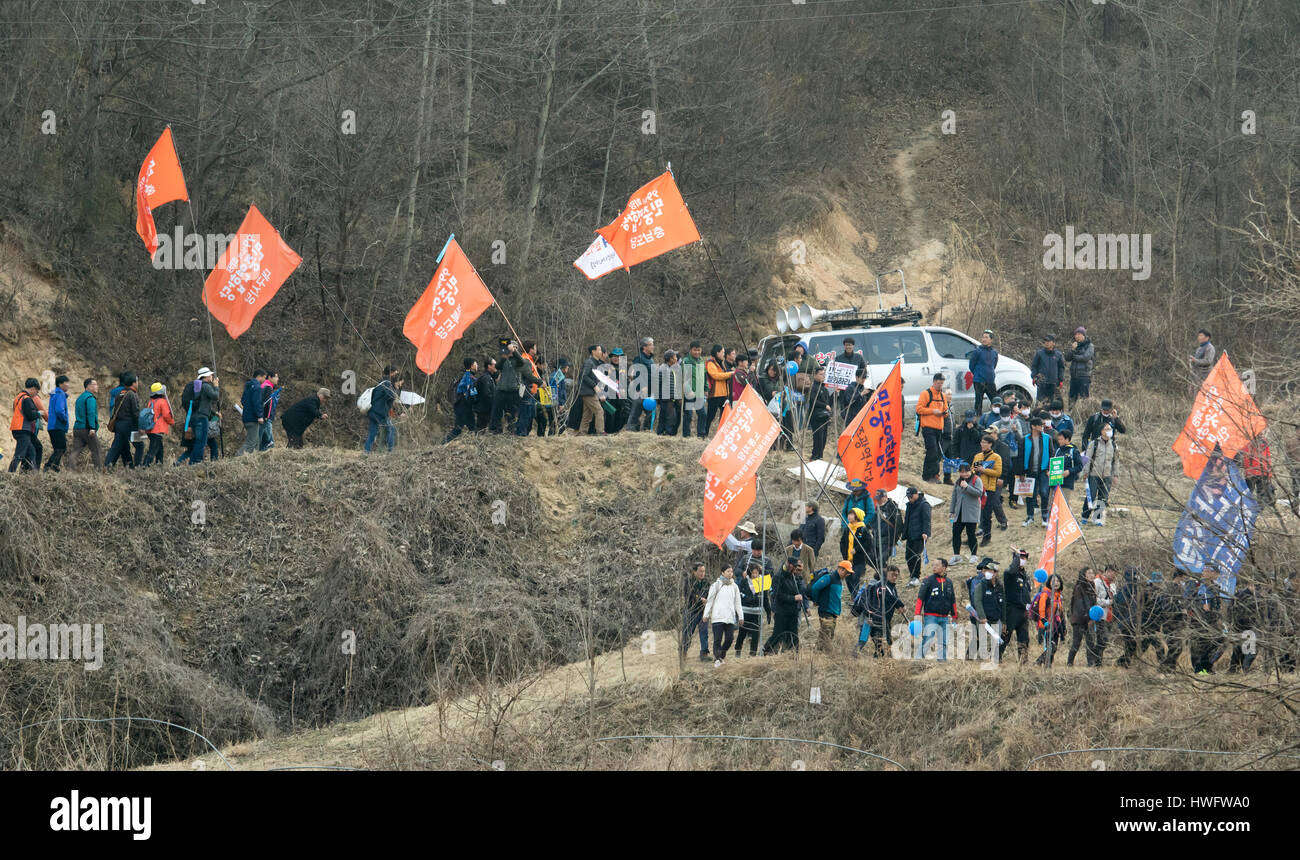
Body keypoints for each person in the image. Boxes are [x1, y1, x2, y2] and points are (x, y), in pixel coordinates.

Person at [914, 559, 961, 660]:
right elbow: (920, 598)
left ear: (944, 568)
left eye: (937, 565)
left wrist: (954, 616)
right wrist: (917, 613)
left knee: (944, 641)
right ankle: (918, 659)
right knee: (928, 638)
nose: (934, 567)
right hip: (931, 616)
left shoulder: (949, 582)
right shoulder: (928, 580)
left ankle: (942, 661)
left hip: (945, 617)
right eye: (933, 565)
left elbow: (952, 600)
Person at [702, 564, 744, 667]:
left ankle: (721, 655)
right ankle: (717, 658)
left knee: (729, 639)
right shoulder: (716, 585)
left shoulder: (734, 586)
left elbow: (738, 603)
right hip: (718, 617)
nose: (730, 574)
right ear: (722, 573)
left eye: (731, 571)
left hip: (729, 617)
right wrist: (706, 614)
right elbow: (710, 601)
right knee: (717, 639)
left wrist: (741, 616)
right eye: (728, 571)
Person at [763, 558, 806, 654]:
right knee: (777, 634)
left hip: (793, 612)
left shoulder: (794, 577)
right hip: (781, 612)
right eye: (794, 566)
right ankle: (765, 651)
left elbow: (800, 591)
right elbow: (778, 595)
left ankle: (794, 655)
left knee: (793, 635)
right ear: (789, 565)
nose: (796, 569)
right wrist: (793, 598)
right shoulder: (778, 577)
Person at [859, 565, 904, 656]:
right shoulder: (880, 586)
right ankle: (854, 658)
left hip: (885, 620)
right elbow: (889, 597)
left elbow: (892, 598)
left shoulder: (892, 587)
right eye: (892, 575)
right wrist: (900, 604)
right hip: (875, 620)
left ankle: (878, 659)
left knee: (883, 645)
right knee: (876, 644)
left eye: (896, 575)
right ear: (886, 574)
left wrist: (898, 606)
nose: (894, 577)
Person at [1080, 423, 1118, 526]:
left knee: (1103, 498)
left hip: (1107, 475)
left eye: (1110, 429)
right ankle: (1084, 516)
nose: (1109, 431)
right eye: (1106, 429)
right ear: (1101, 431)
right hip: (1094, 474)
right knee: (1091, 496)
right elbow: (1088, 458)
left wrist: (1115, 475)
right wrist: (1085, 472)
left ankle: (1097, 518)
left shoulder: (1113, 445)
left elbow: (1115, 461)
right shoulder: (1094, 443)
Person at [181, 368, 221, 465]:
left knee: (198, 441)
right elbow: (215, 396)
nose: (212, 377)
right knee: (201, 442)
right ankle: (196, 463)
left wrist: (215, 413)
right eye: (210, 375)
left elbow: (203, 405)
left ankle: (192, 463)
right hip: (202, 418)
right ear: (206, 376)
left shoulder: (197, 387)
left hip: (194, 417)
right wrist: (216, 386)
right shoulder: (205, 386)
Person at [1000, 548, 1033, 664]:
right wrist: (1016, 557)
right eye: (1020, 558)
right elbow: (1011, 571)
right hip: (1012, 610)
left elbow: (1027, 593)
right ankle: (996, 659)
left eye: (1024, 558)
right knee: (1005, 637)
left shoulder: (1025, 576)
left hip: (1023, 612)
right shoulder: (1010, 573)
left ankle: (1023, 663)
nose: (1022, 560)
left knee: (1024, 639)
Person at [1189, 566, 1224, 675]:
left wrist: (1219, 617)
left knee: (1218, 641)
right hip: (1198, 620)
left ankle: (1208, 666)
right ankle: (1199, 669)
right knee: (1198, 645)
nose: (1206, 573)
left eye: (1209, 571)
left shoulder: (1215, 587)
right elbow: (1187, 601)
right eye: (1205, 571)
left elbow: (1217, 604)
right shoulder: (1195, 585)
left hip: (1212, 620)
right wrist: (1200, 606)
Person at [808, 561, 850, 651]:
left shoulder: (838, 581)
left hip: (833, 612)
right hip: (826, 610)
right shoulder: (829, 577)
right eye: (847, 572)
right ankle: (819, 653)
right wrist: (816, 600)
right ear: (840, 569)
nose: (847, 575)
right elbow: (815, 588)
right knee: (825, 635)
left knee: (828, 635)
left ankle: (820, 653)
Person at [917, 373, 950, 483]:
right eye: (939, 383)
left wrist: (944, 413)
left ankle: (926, 475)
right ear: (934, 381)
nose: (940, 385)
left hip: (938, 429)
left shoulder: (942, 395)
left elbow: (946, 410)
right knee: (933, 452)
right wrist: (933, 411)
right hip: (928, 428)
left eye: (942, 383)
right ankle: (934, 475)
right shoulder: (925, 393)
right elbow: (919, 409)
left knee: (933, 452)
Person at [8, 378, 46, 473]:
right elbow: (30, 416)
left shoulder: (18, 397)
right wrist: (39, 413)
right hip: (23, 429)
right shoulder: (27, 399)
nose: (36, 394)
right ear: (33, 388)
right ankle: (10, 473)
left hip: (17, 428)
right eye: (36, 391)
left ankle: (30, 474)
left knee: (32, 451)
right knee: (20, 453)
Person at [970, 558, 1004, 663]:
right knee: (983, 642)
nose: (988, 573)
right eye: (987, 571)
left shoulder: (1000, 587)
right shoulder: (981, 585)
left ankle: (994, 663)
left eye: (991, 571)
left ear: (996, 573)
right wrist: (982, 617)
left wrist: (1004, 621)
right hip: (984, 619)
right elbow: (977, 601)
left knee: (996, 643)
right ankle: (979, 663)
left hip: (996, 618)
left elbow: (1003, 604)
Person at [103, 373, 141, 469]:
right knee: (140, 445)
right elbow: (135, 412)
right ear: (133, 383)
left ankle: (108, 465)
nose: (138, 383)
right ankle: (138, 467)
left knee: (118, 445)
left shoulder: (121, 393)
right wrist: (140, 426)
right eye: (137, 381)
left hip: (119, 424)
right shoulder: (132, 394)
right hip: (130, 425)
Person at [973, 434, 1005, 545]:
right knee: (975, 513)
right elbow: (972, 470)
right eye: (982, 442)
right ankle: (972, 536)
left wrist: (984, 470)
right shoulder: (977, 456)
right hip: (976, 488)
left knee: (987, 514)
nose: (982, 444)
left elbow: (998, 472)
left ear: (990, 444)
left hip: (989, 488)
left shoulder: (996, 457)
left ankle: (986, 537)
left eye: (985, 442)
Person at [948, 462, 983, 565]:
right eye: (962, 472)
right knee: (955, 533)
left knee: (971, 533)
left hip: (971, 511)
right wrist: (952, 510)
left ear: (970, 470)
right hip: (959, 512)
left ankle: (973, 555)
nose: (965, 474)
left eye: (967, 471)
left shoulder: (977, 479)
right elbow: (954, 496)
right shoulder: (958, 482)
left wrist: (967, 487)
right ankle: (956, 555)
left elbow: (979, 493)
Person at [1021, 417, 1054, 526]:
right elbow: (1020, 457)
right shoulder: (1025, 439)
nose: (1042, 426)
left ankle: (1045, 517)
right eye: (1040, 425)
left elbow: (1051, 454)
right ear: (1033, 426)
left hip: (1044, 471)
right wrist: (1021, 472)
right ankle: (1030, 517)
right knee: (1030, 495)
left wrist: (1049, 469)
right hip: (1030, 471)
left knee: (1044, 493)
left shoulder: (1047, 438)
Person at [735, 562, 771, 658]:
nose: (755, 575)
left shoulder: (762, 582)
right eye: (753, 573)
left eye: (757, 573)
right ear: (749, 573)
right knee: (742, 632)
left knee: (756, 634)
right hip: (745, 612)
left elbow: (765, 599)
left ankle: (753, 653)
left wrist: (768, 612)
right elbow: (738, 597)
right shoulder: (744, 582)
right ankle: (738, 650)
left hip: (757, 612)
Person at [68, 378, 102, 472]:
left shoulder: (80, 398)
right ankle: (98, 472)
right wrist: (92, 427)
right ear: (88, 386)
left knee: (76, 451)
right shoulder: (90, 398)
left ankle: (70, 470)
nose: (97, 386)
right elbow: (91, 413)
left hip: (77, 428)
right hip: (87, 429)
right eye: (95, 384)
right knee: (96, 450)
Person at [1032, 573, 1067, 666]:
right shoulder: (1045, 594)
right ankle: (1038, 662)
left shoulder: (1058, 596)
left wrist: (1063, 626)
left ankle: (1048, 667)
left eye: (1058, 581)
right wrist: (1045, 623)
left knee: (1054, 647)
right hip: (1046, 625)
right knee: (1050, 646)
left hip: (1056, 625)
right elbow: (1041, 610)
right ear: (1049, 583)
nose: (1056, 583)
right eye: (1053, 581)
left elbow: (1060, 613)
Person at [511, 341, 544, 437]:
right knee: (525, 414)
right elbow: (528, 376)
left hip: (531, 392)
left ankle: (523, 433)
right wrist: (540, 382)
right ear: (530, 349)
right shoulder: (525, 360)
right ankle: (521, 434)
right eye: (535, 348)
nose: (536, 350)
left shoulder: (529, 360)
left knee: (530, 414)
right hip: (526, 392)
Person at [1066, 567, 1097, 667]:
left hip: (1089, 619)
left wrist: (1092, 618)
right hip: (1079, 620)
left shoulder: (1092, 587)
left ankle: (1091, 664)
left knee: (1090, 643)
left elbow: (1093, 604)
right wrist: (1087, 617)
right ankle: (1069, 663)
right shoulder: (1079, 587)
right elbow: (1079, 606)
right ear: (1084, 575)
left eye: (1093, 573)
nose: (1092, 575)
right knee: (1076, 643)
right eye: (1089, 573)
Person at [40, 374, 71, 472]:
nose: (68, 385)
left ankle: (54, 469)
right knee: (61, 448)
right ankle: (49, 467)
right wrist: (65, 419)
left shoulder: (54, 395)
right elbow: (59, 410)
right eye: (66, 383)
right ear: (60, 384)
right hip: (58, 426)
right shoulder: (60, 394)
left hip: (52, 426)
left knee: (58, 448)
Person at [444, 358, 479, 443]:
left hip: (463, 406)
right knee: (459, 429)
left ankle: (478, 446)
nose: (477, 365)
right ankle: (443, 443)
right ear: (471, 366)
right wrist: (476, 401)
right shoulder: (469, 378)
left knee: (472, 427)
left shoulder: (467, 376)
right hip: (463, 407)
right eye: (476, 364)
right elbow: (471, 393)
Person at [365, 366, 400, 452]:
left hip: (372, 411)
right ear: (391, 373)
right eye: (395, 373)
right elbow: (391, 396)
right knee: (391, 430)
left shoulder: (381, 382)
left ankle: (366, 452)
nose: (396, 375)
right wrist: (395, 389)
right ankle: (390, 452)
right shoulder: (387, 383)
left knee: (372, 433)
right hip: (380, 412)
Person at [576, 345, 608, 436]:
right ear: (593, 352)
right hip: (588, 392)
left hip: (591, 391)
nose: (601, 352)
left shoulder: (596, 363)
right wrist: (594, 386)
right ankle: (600, 432)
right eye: (599, 350)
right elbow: (583, 376)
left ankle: (582, 433)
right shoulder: (589, 363)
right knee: (599, 411)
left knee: (587, 414)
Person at [681, 562, 711, 662]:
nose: (702, 573)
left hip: (703, 611)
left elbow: (709, 595)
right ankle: (683, 652)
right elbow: (688, 596)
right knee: (688, 633)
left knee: (704, 632)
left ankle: (704, 653)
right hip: (691, 610)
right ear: (694, 572)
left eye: (704, 571)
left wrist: (707, 601)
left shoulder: (706, 582)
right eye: (700, 571)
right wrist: (700, 600)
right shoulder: (688, 581)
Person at [236, 369, 269, 455]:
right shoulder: (257, 388)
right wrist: (260, 416)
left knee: (256, 441)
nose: (265, 380)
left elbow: (243, 400)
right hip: (253, 418)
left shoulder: (248, 386)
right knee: (251, 442)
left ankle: (254, 460)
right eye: (264, 378)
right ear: (259, 376)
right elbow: (257, 403)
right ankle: (237, 457)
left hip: (246, 416)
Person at [903, 487, 931, 587]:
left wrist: (925, 532)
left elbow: (927, 520)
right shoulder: (909, 505)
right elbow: (907, 519)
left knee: (916, 556)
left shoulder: (924, 505)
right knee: (908, 556)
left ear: (916, 494)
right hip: (910, 535)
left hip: (920, 535)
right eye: (908, 497)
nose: (909, 499)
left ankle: (916, 577)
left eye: (911, 496)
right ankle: (912, 576)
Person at [839, 507, 871, 595]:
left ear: (857, 516)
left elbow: (868, 544)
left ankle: (856, 598)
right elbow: (842, 542)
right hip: (848, 560)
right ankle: (855, 597)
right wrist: (844, 553)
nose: (849, 516)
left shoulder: (863, 529)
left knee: (855, 577)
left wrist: (856, 549)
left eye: (852, 514)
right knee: (848, 578)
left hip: (859, 560)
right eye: (849, 514)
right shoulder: (847, 529)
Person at [626, 336, 656, 431]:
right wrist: (643, 386)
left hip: (650, 393)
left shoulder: (651, 360)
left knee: (650, 413)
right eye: (651, 345)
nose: (653, 347)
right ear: (644, 347)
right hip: (639, 391)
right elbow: (636, 374)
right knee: (635, 413)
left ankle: (646, 431)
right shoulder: (638, 358)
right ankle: (631, 431)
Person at [703, 344, 733, 435]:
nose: (724, 354)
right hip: (714, 394)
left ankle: (721, 435)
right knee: (710, 417)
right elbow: (715, 375)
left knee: (724, 416)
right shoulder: (710, 363)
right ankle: (705, 434)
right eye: (722, 352)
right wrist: (730, 374)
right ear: (717, 352)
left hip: (724, 394)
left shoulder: (721, 362)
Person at [142, 383, 175, 466]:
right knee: (152, 451)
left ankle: (159, 466)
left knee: (159, 449)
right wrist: (172, 422)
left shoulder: (151, 402)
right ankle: (143, 467)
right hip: (158, 430)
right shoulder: (162, 402)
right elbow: (166, 415)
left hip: (150, 429)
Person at [967, 330, 999, 414]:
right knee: (978, 402)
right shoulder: (977, 351)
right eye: (983, 337)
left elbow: (994, 365)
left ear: (991, 340)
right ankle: (978, 419)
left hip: (990, 381)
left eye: (986, 337)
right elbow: (971, 366)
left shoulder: (994, 352)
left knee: (995, 401)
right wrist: (978, 373)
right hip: (979, 381)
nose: (984, 339)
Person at [680, 341, 707, 438]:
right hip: (690, 393)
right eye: (695, 350)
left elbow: (704, 376)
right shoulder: (686, 361)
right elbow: (685, 378)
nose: (697, 352)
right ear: (691, 350)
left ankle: (701, 435)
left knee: (703, 414)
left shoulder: (701, 361)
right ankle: (686, 436)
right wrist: (688, 390)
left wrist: (706, 388)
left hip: (699, 392)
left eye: (698, 350)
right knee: (688, 415)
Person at [1090, 566, 1116, 666]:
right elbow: (1094, 599)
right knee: (1103, 639)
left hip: (1110, 616)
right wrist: (1107, 602)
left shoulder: (1113, 585)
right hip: (1100, 615)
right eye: (1111, 572)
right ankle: (1096, 661)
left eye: (1114, 573)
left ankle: (1097, 661)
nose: (1113, 575)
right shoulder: (1098, 582)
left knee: (1105, 641)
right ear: (1106, 572)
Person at [1030, 334, 1065, 406]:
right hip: (1042, 382)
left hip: (1053, 383)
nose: (1046, 343)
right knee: (1040, 403)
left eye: (1049, 341)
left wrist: (1060, 379)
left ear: (1053, 343)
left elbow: (1061, 368)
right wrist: (1034, 376)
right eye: (1045, 341)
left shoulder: (1058, 355)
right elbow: (1034, 366)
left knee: (1052, 403)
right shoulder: (1039, 353)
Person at [1064, 327, 1095, 408]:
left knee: (1084, 398)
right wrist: (1072, 349)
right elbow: (1067, 358)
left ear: (1084, 335)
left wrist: (1074, 357)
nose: (1077, 336)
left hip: (1084, 375)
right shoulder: (1074, 345)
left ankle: (1083, 415)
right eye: (1076, 334)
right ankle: (1071, 414)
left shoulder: (1090, 345)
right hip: (1074, 376)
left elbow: (1086, 357)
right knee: (1072, 397)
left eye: (1079, 334)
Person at [1052, 428, 1083, 508]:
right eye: (1058, 439)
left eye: (1061, 439)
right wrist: (1049, 472)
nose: (1059, 441)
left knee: (1063, 504)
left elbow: (1079, 466)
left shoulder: (1074, 451)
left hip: (1067, 482)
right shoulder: (1058, 450)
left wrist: (1069, 471)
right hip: (1055, 481)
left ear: (1067, 439)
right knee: (1052, 504)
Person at [873, 488, 902, 569]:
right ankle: (882, 577)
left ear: (885, 497)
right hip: (878, 539)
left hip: (889, 540)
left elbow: (899, 524)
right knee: (875, 561)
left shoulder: (892, 507)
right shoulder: (877, 508)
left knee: (880, 561)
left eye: (880, 498)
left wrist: (895, 539)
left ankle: (886, 577)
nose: (878, 501)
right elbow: (874, 523)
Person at [259, 371, 282, 450]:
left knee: (263, 440)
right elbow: (267, 404)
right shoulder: (268, 387)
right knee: (269, 443)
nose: (277, 379)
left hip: (262, 416)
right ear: (269, 377)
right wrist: (267, 416)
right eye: (276, 377)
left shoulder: (263, 385)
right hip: (266, 417)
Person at [474, 357, 498, 431]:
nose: (496, 366)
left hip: (486, 409)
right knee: (481, 430)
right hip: (484, 410)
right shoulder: (486, 378)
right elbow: (486, 394)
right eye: (494, 364)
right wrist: (495, 404)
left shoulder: (489, 377)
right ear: (489, 366)